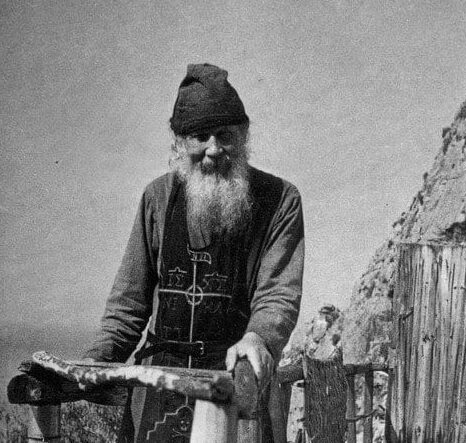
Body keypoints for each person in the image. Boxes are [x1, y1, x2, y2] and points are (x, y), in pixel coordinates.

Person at [83, 63, 304, 443]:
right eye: (201, 136)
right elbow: (129, 303)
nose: (214, 150)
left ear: (244, 134)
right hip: (157, 391)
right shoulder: (157, 197)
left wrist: (259, 338)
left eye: (226, 135)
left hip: (236, 385)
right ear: (180, 142)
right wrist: (99, 356)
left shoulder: (279, 200)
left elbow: (278, 295)